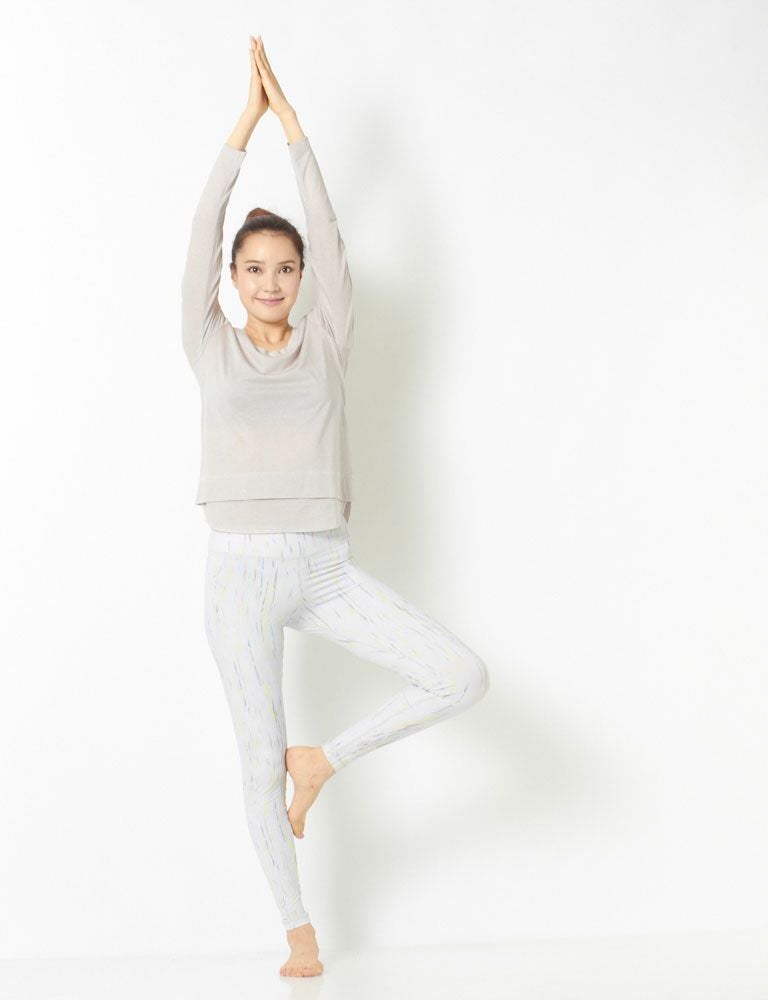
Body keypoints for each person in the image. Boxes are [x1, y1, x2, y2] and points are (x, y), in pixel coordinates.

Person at [181, 36, 490, 978]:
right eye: (253, 269)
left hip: (322, 565)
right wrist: (242, 129)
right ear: (232, 280)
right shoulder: (209, 344)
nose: (270, 282)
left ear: (304, 277)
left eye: (285, 268)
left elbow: (329, 227)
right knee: (254, 757)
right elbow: (202, 229)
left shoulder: (328, 339)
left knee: (459, 675)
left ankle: (325, 761)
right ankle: (298, 929)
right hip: (238, 573)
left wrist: (296, 130)